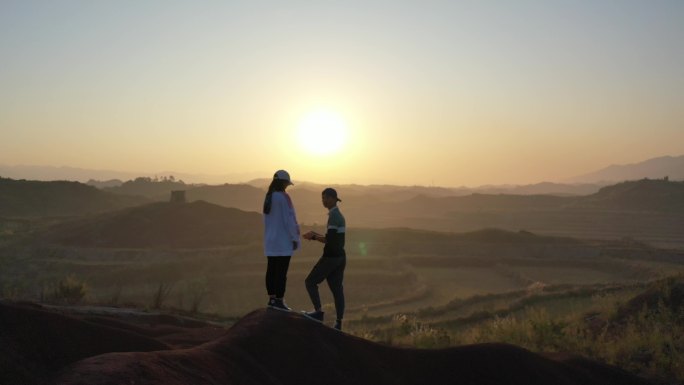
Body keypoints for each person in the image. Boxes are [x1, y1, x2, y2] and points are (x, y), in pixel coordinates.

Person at [302, 187, 346, 330]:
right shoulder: (338, 215)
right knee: (337, 290)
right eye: (322, 198)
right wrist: (314, 234)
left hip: (330, 257)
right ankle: (339, 322)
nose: (323, 200)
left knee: (310, 282)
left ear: (333, 199)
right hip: (340, 256)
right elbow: (331, 237)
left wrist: (314, 237)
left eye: (326, 198)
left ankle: (318, 313)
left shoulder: (334, 217)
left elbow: (329, 240)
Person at [262, 169, 300, 311]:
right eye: (286, 184)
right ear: (283, 183)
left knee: (271, 270)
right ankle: (279, 300)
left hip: (270, 241)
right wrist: (294, 238)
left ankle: (271, 299)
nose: (287, 186)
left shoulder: (268, 197)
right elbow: (289, 219)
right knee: (282, 273)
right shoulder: (284, 197)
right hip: (283, 242)